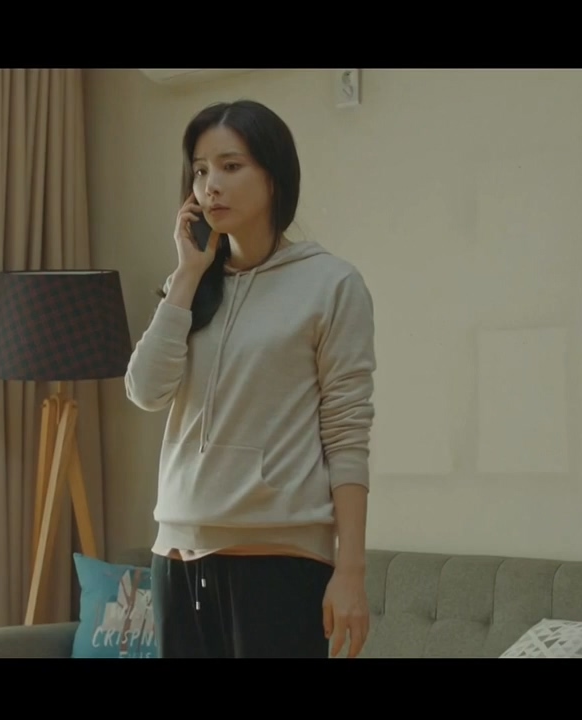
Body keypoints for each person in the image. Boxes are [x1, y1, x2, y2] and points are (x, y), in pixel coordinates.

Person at [124, 99, 376, 659]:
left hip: (280, 563)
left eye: (231, 166)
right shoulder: (191, 284)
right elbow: (145, 391)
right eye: (200, 170)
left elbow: (347, 435)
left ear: (274, 175)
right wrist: (187, 274)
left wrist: (351, 570)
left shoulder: (331, 285)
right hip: (176, 560)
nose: (211, 185)